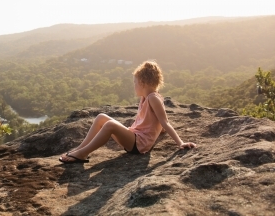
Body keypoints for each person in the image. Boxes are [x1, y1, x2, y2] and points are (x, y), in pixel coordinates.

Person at [59, 60, 196, 164]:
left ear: (142, 83)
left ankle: (82, 154)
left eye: (135, 82)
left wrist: (180, 143)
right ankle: (79, 150)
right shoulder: (145, 97)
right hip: (134, 137)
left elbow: (164, 122)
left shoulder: (153, 98)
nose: (134, 86)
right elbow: (155, 120)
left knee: (110, 125)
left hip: (139, 145)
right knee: (101, 117)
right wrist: (159, 131)